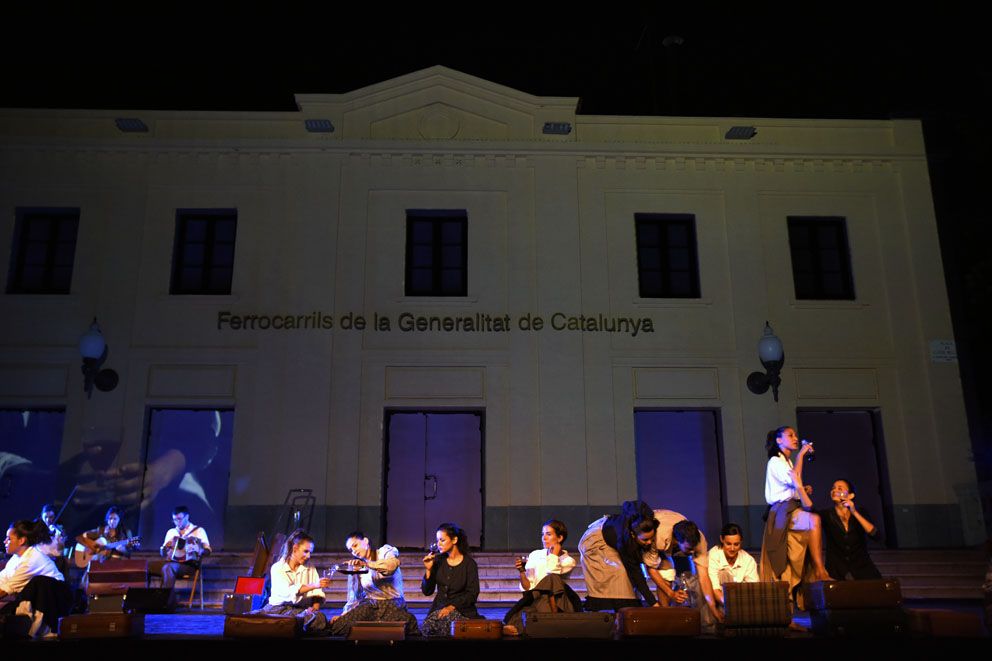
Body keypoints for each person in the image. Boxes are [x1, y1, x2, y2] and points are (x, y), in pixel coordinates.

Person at [760, 426, 832, 601]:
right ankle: (819, 569)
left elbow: (795, 481)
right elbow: (795, 479)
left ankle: (817, 570)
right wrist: (801, 456)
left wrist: (800, 488)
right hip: (782, 511)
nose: (795, 438)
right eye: (790, 435)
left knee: (812, 522)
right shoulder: (776, 461)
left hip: (791, 507)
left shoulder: (786, 461)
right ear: (779, 440)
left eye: (795, 435)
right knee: (813, 519)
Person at [328, 531, 420, 636]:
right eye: (350, 549)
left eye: (355, 545)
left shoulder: (384, 552)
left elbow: (391, 566)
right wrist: (344, 615)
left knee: (407, 625)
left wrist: (367, 564)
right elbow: (355, 596)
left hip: (392, 604)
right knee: (339, 626)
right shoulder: (358, 566)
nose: (354, 550)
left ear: (365, 541)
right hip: (371, 606)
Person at [642, 511, 723, 629]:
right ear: (678, 541)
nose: (691, 552)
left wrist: (714, 610)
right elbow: (651, 569)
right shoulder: (658, 537)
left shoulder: (699, 540)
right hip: (651, 530)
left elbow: (704, 577)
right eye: (689, 548)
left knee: (672, 573)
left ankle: (669, 619)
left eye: (693, 549)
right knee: (666, 574)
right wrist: (671, 593)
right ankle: (665, 619)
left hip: (672, 528)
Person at [502, 519, 580, 635]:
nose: (544, 538)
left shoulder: (569, 560)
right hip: (536, 598)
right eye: (542, 534)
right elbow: (528, 588)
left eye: (548, 534)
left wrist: (553, 554)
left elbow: (552, 572)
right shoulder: (535, 555)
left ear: (559, 538)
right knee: (529, 613)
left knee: (552, 578)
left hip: (559, 602)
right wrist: (522, 572)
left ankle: (553, 619)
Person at [578, 500, 660, 610]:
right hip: (597, 541)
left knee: (626, 579)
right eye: (645, 540)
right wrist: (653, 603)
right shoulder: (624, 540)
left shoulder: (642, 523)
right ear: (633, 534)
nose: (649, 542)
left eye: (651, 538)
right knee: (619, 573)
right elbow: (635, 572)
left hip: (613, 536)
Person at [0, 520, 71, 638]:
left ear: (22, 540)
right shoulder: (15, 559)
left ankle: (43, 631)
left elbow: (5, 590)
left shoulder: (31, 559)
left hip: (57, 598)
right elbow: (2, 579)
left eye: (9, 539)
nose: (5, 541)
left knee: (39, 582)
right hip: (36, 596)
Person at [254, 529, 329, 633]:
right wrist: (315, 584)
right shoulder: (278, 568)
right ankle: (286, 625)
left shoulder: (310, 567)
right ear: (295, 548)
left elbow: (317, 594)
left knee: (319, 618)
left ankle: (288, 626)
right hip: (279, 609)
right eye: (306, 551)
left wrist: (314, 609)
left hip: (301, 610)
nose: (309, 556)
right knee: (289, 620)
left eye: (310, 553)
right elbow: (288, 591)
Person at [421, 522, 482, 637]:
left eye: (442, 540)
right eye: (437, 540)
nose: (438, 544)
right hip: (438, 609)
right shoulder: (438, 561)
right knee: (427, 628)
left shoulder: (469, 564)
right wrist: (428, 570)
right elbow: (427, 591)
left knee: (450, 626)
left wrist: (451, 607)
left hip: (462, 610)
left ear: (454, 540)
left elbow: (472, 593)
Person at [819, 479, 882, 580]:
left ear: (850, 496)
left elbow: (875, 535)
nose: (835, 490)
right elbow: (809, 511)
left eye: (840, 488)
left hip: (862, 567)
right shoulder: (826, 514)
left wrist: (854, 512)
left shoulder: (860, 511)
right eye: (833, 488)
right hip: (836, 569)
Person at [149, 505, 211, 589]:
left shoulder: (198, 531)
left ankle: (167, 599)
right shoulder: (171, 532)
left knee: (168, 568)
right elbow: (163, 552)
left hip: (189, 566)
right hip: (171, 564)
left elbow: (208, 550)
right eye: (175, 519)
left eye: (179, 519)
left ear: (187, 517)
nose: (177, 522)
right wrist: (164, 550)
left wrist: (200, 550)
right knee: (146, 567)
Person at [707, 522, 758, 608]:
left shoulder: (748, 560)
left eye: (736, 544)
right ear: (722, 539)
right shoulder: (713, 555)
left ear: (741, 542)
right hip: (716, 601)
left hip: (741, 603)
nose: (732, 548)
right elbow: (714, 589)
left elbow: (754, 590)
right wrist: (731, 607)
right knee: (723, 574)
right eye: (728, 544)